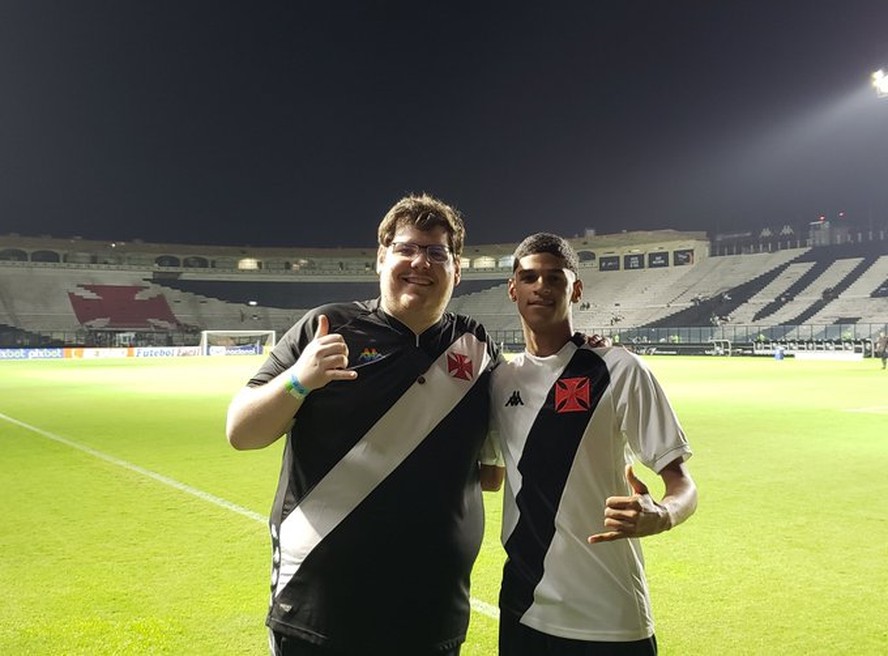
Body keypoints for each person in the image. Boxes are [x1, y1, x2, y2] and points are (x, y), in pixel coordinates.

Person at [226, 194, 503, 656]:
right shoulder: (327, 327)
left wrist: (585, 351)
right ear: (381, 258)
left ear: (457, 268)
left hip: (431, 613)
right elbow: (242, 432)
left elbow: (512, 431)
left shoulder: (475, 346)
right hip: (320, 611)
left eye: (437, 252)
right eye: (406, 248)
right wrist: (299, 379)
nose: (421, 262)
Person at [482, 233, 698, 656]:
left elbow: (683, 485)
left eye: (554, 278)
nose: (540, 286)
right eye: (528, 277)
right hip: (524, 606)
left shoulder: (619, 370)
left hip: (608, 615)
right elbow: (489, 476)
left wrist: (663, 514)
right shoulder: (499, 381)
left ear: (575, 288)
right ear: (512, 289)